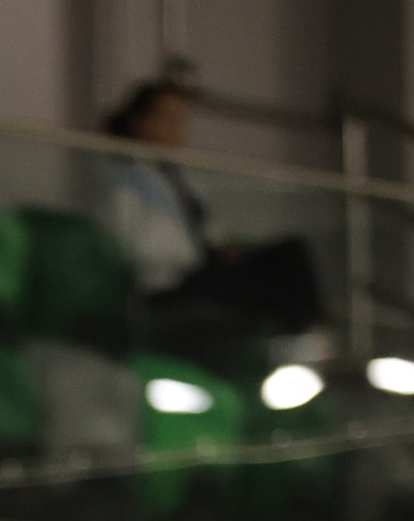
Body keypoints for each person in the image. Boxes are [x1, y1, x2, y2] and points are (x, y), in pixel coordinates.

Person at [102, 74, 324, 342]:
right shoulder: (124, 182)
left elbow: (209, 229)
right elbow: (136, 247)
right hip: (169, 284)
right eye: (166, 118)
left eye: (180, 120)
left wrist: (223, 250)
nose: (175, 128)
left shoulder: (184, 181)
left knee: (288, 253)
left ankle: (310, 338)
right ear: (139, 121)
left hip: (205, 271)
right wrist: (202, 258)